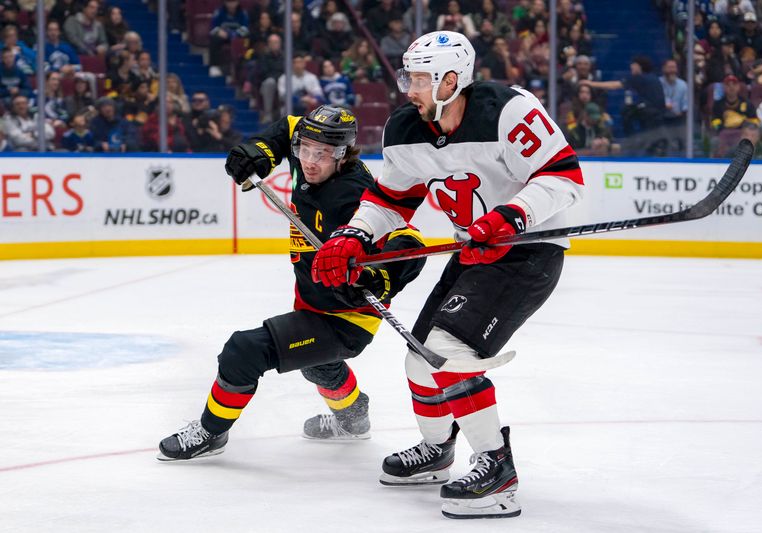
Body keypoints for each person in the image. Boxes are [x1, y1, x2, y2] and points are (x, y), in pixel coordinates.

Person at [311, 31, 584, 519]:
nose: (408, 89)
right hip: (475, 247)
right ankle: (437, 451)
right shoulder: (405, 128)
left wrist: (510, 217)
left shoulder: (509, 111)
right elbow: (392, 200)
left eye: (418, 79)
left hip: (527, 248)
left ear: (450, 80)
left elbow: (563, 176)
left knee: (450, 354)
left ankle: (498, 473)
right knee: (423, 359)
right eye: (408, 77)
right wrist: (354, 235)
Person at [157, 105, 426, 460]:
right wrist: (260, 151)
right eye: (304, 150)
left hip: (347, 318)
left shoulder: (353, 195)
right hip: (312, 302)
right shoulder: (308, 154)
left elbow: (412, 241)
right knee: (316, 364)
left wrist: (377, 278)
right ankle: (352, 416)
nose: (310, 162)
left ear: (343, 155)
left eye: (322, 155)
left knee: (244, 351)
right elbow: (289, 127)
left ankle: (210, 432)